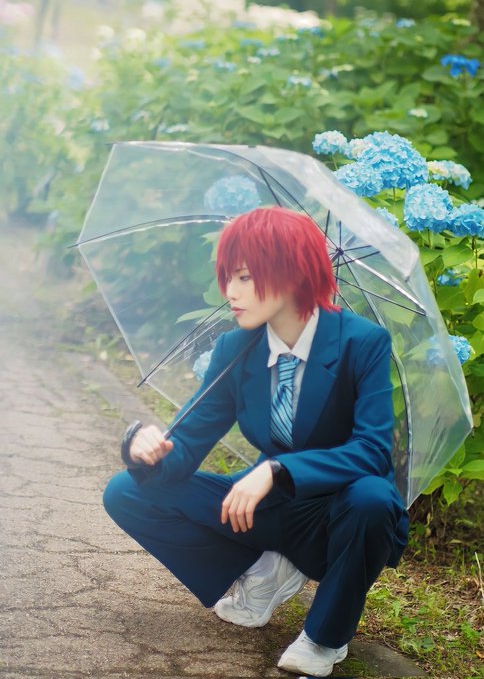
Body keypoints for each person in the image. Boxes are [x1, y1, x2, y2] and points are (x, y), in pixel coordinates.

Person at [103, 206, 409, 677]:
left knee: (373, 498)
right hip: (265, 511)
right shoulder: (236, 347)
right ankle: (261, 574)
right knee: (128, 490)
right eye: (228, 277)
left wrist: (278, 470)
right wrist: (145, 446)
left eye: (244, 277)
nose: (231, 291)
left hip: (336, 516)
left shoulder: (361, 342)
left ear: (293, 274)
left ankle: (325, 638)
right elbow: (186, 444)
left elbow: (372, 450)